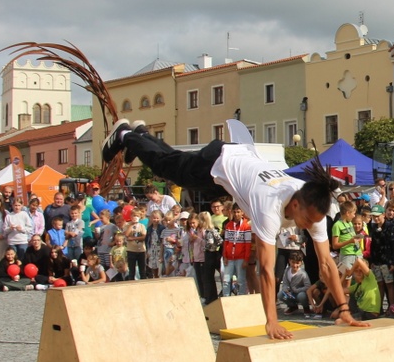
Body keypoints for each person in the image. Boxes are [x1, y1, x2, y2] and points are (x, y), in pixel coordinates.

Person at [103, 121, 365, 338]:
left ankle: (141, 135)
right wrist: (271, 321)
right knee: (168, 168)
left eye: (312, 222)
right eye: (306, 220)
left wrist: (344, 309)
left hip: (238, 164)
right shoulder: (269, 207)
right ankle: (126, 135)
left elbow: (326, 264)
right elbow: (265, 270)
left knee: (174, 161)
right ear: (295, 204)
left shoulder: (313, 205)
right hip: (220, 161)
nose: (307, 226)